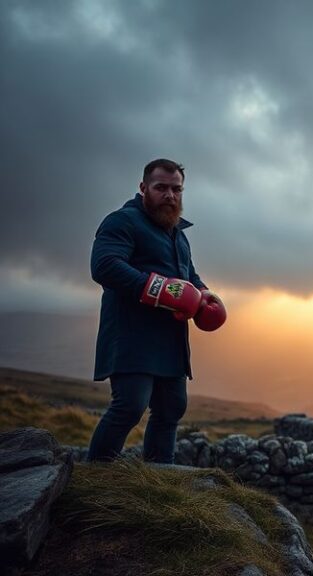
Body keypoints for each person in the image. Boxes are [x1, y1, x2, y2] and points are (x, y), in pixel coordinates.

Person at [87, 158, 226, 463]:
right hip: (131, 334)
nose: (170, 195)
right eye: (161, 187)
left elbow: (188, 275)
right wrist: (160, 289)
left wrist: (204, 295)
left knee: (171, 409)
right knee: (129, 406)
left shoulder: (177, 233)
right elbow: (104, 266)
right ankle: (92, 477)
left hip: (170, 337)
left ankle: (161, 484)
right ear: (143, 188)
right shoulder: (122, 221)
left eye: (176, 189)